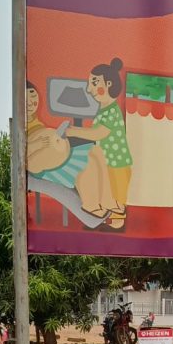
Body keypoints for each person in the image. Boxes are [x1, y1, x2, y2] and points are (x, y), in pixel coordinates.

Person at [26, 80, 118, 219]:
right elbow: (24, 148)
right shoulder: (21, 124)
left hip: (60, 155)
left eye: (33, 96)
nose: (30, 103)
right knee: (87, 165)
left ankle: (107, 199)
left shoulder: (33, 120)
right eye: (26, 99)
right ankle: (90, 205)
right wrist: (40, 143)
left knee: (96, 152)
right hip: (44, 166)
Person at [66, 58, 133, 229]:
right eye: (90, 84)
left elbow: (99, 133)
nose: (90, 89)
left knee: (116, 197)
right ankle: (104, 219)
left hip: (116, 163)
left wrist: (74, 131)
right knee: (105, 192)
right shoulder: (104, 110)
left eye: (94, 83)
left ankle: (117, 224)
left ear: (109, 84)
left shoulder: (111, 111)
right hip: (106, 162)